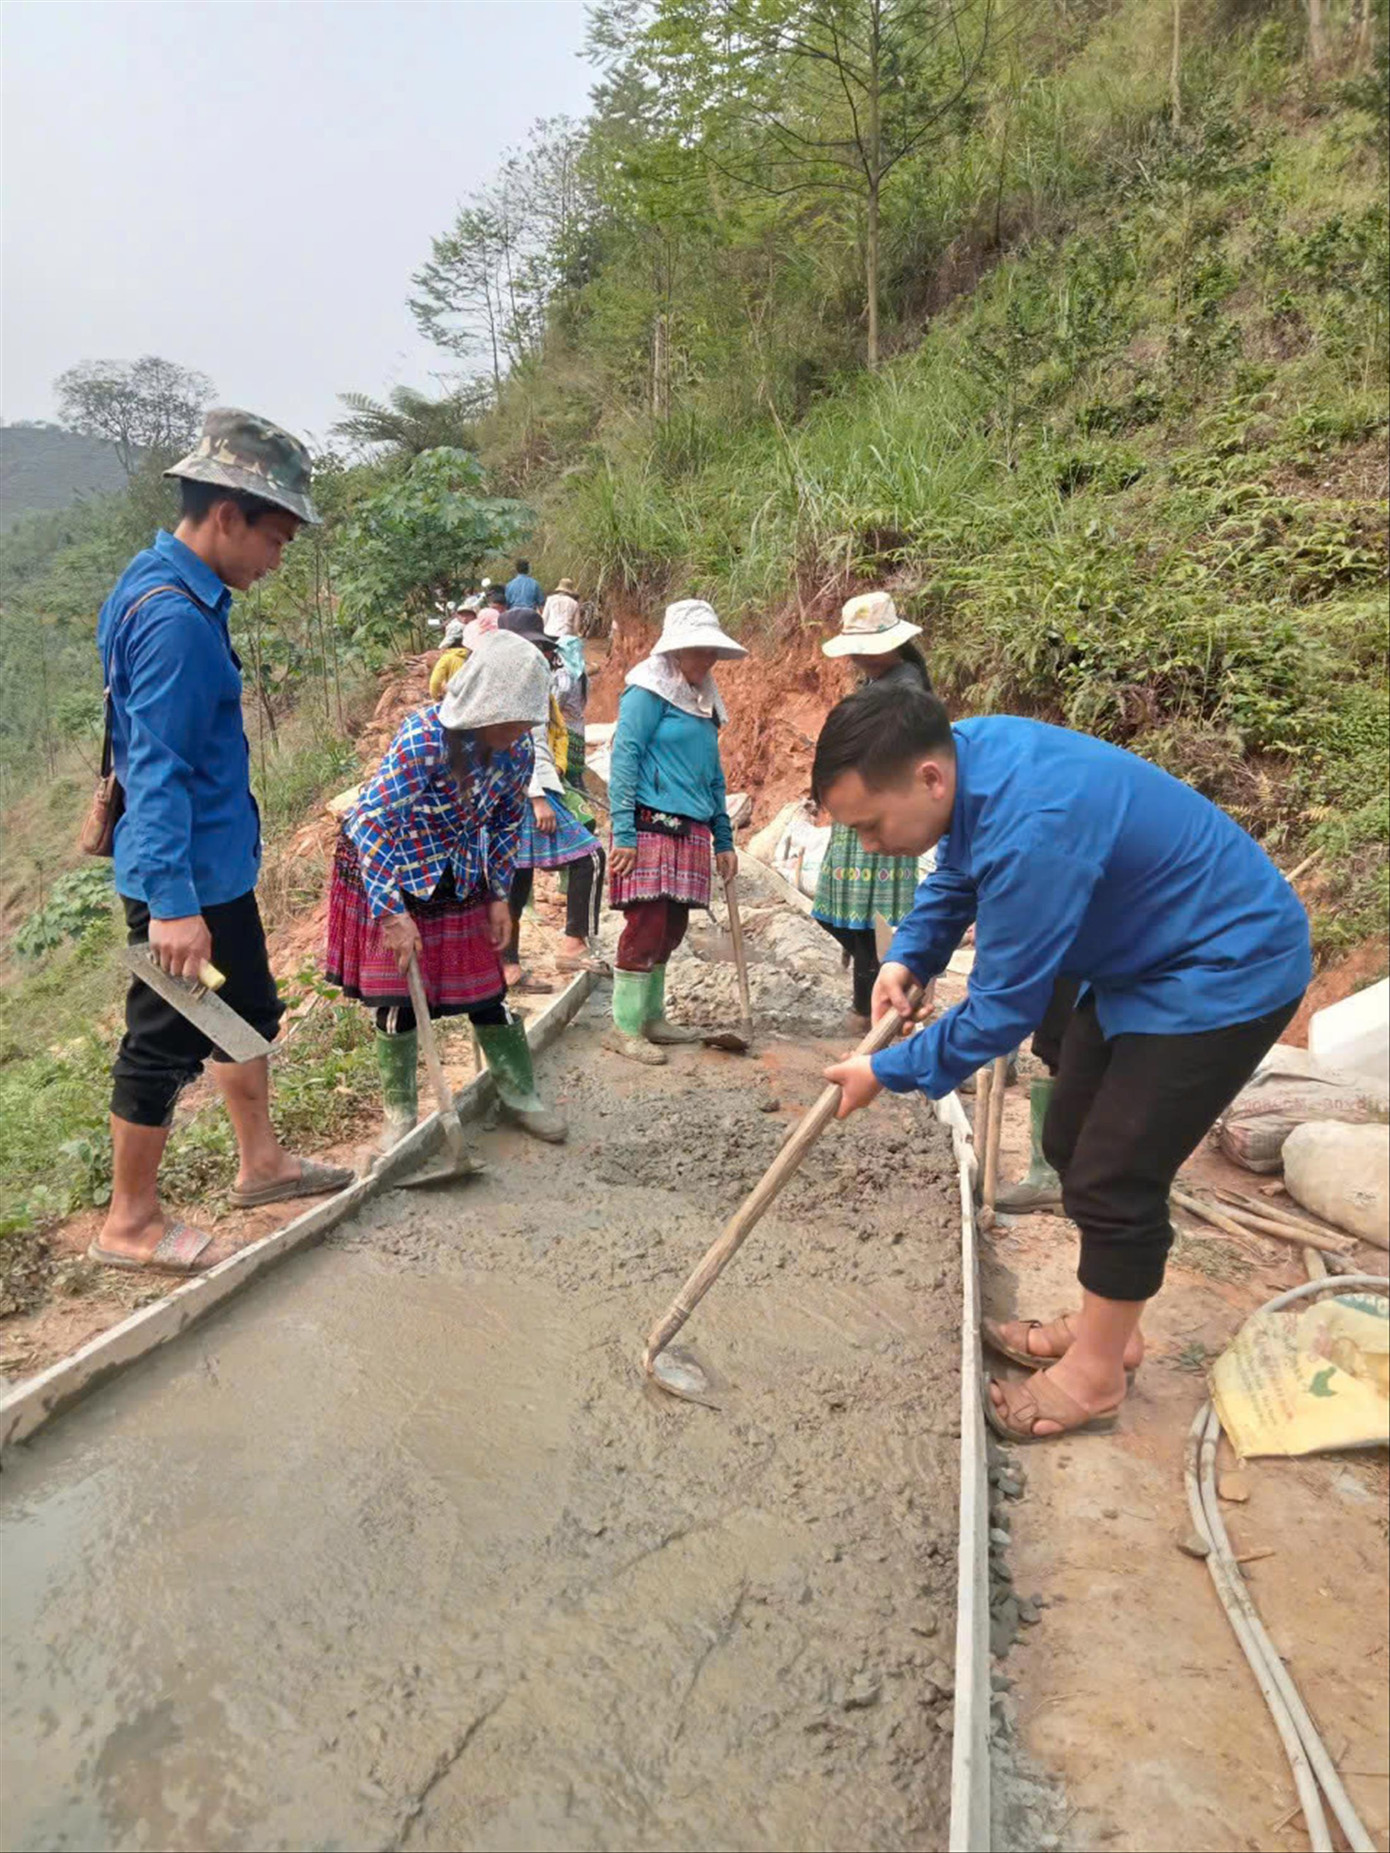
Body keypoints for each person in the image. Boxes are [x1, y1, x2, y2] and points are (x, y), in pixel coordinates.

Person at [814, 685, 1310, 1443]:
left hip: (1226, 967)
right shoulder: (963, 755)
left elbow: (1001, 1011)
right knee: (1070, 1138)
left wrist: (887, 1070)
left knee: (1117, 1172)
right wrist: (909, 955)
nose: (871, 845)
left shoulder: (1033, 827)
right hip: (1144, 957)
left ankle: (1098, 1374)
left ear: (928, 779)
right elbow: (956, 874)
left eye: (871, 826)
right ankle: (1111, 1328)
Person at [89, 408, 354, 1275]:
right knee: (164, 1039)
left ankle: (262, 1163)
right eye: (275, 539)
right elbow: (157, 767)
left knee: (246, 1013)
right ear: (228, 515)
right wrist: (173, 906)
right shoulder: (174, 619)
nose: (277, 560)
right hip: (184, 882)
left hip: (212, 869)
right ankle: (130, 1223)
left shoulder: (167, 586)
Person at [325, 632, 567, 1147]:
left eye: (527, 720)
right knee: (398, 996)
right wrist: (391, 913)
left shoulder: (518, 751)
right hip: (390, 862)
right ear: (484, 706)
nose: (521, 729)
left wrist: (499, 895)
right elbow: (372, 824)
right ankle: (400, 1116)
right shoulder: (425, 739)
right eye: (512, 718)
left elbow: (505, 823)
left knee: (488, 991)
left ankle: (520, 1095)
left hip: (459, 863)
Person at [606, 599, 744, 1064]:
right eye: (699, 649)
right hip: (648, 825)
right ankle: (625, 1027)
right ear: (675, 650)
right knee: (646, 923)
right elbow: (624, 758)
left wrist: (724, 837)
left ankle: (652, 1018)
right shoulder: (646, 693)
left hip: (692, 830)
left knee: (673, 926)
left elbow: (713, 775)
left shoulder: (704, 702)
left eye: (712, 650)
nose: (709, 659)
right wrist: (623, 832)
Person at [812, 592, 933, 1030]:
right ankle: (871, 1000)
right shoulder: (880, 684)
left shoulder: (905, 690)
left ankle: (869, 1007)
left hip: (883, 810)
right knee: (849, 914)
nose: (856, 656)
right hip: (863, 807)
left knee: (868, 918)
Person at [496, 609, 608, 983]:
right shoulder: (510, 686)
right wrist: (536, 796)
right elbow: (513, 743)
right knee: (589, 856)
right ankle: (572, 945)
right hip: (524, 792)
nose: (541, 655)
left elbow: (540, 740)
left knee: (518, 875)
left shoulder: (528, 683)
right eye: (534, 647)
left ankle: (508, 964)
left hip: (532, 787)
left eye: (542, 648)